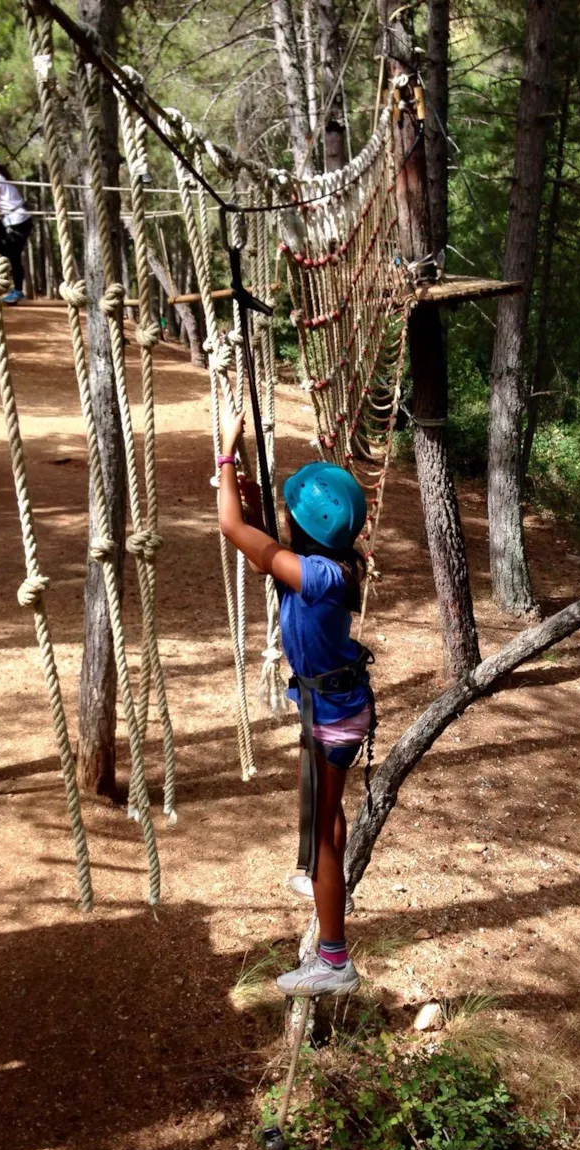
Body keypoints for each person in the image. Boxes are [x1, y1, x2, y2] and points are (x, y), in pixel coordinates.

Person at [217, 413, 375, 998]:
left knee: (323, 839)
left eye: (288, 516)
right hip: (336, 707)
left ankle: (334, 960)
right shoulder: (333, 567)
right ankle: (324, 885)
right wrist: (259, 496)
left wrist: (227, 460)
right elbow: (267, 547)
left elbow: (235, 530)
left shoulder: (314, 576)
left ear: (305, 531)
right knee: (325, 820)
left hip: (331, 718)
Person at [0, 148, 32, 305]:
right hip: (12, 219)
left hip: (17, 221)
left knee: (12, 256)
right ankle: (8, 283)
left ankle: (17, 290)